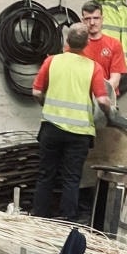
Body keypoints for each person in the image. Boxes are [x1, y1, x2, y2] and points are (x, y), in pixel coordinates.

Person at [31, 23, 112, 221]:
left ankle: (39, 218)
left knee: (45, 175)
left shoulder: (52, 61)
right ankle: (68, 221)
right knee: (71, 178)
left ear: (66, 41)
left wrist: (46, 104)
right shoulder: (94, 67)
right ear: (86, 44)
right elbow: (102, 100)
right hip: (79, 133)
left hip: (51, 128)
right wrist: (111, 113)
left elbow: (36, 92)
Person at [80, 0, 127, 94]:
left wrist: (99, 96)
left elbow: (115, 79)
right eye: (88, 19)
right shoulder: (74, 45)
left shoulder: (114, 44)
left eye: (96, 18)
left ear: (102, 19)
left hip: (106, 98)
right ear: (82, 21)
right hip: (81, 99)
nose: (92, 22)